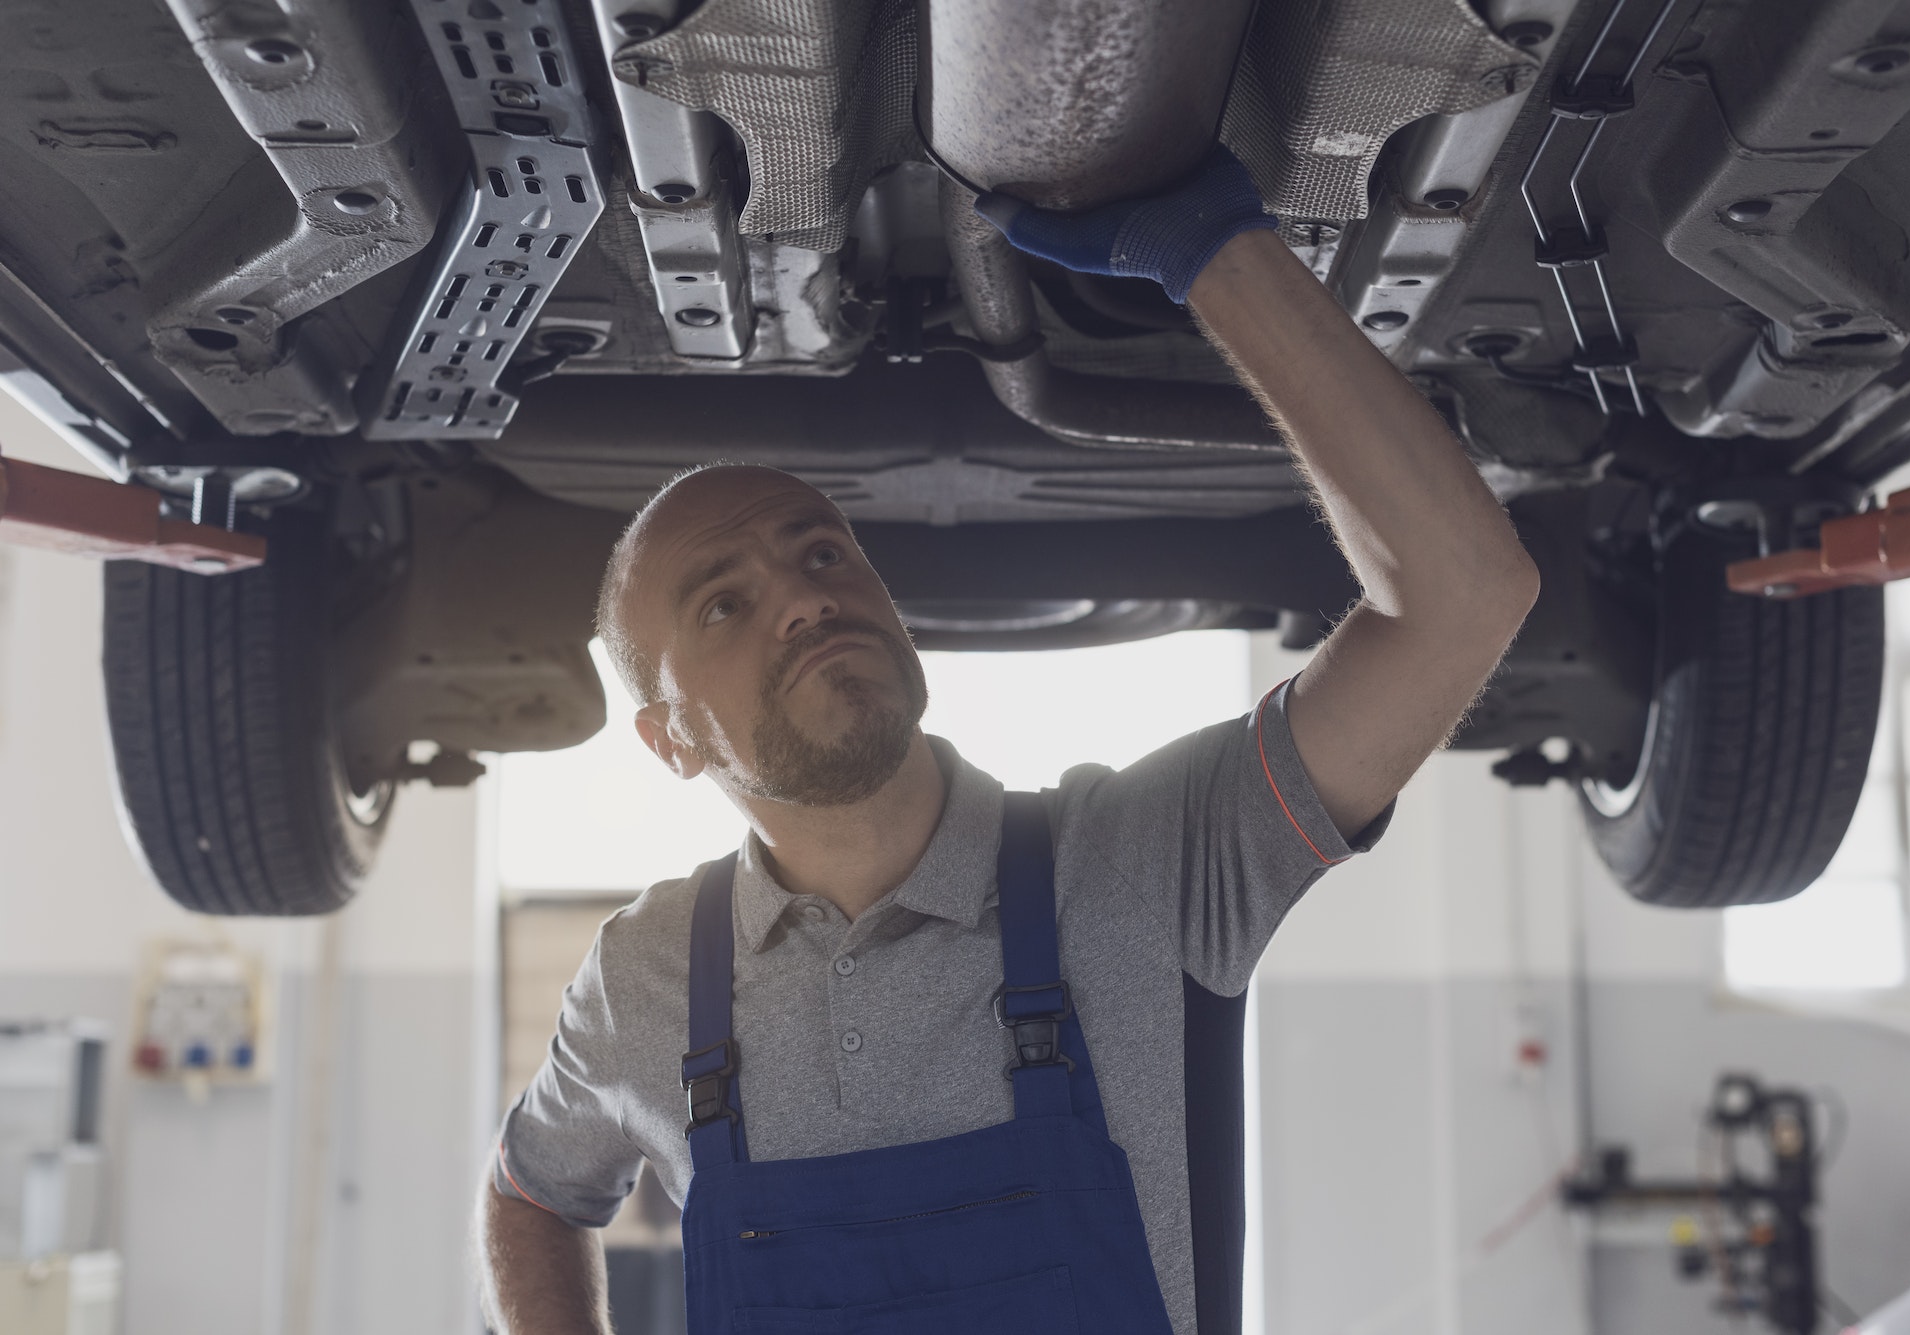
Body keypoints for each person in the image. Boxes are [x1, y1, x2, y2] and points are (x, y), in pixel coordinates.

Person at [477, 149, 1541, 1335]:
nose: (803, 595)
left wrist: (1221, 262)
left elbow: (1461, 593)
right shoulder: (649, 976)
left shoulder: (1145, 863)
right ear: (669, 740)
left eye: (821, 550)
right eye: (723, 603)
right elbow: (530, 1192)